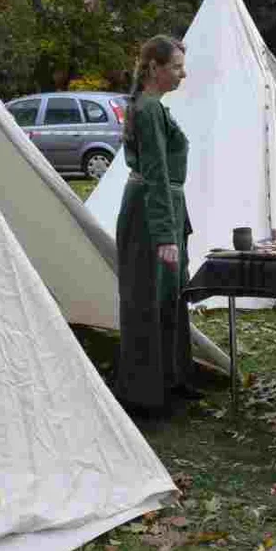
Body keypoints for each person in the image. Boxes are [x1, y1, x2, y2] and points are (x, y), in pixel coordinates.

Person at [115, 35, 203, 416]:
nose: (183, 74)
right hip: (150, 216)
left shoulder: (154, 107)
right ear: (155, 67)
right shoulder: (148, 109)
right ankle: (145, 394)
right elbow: (154, 172)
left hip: (161, 207)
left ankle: (171, 379)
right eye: (177, 67)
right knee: (148, 301)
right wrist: (165, 235)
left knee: (169, 299)